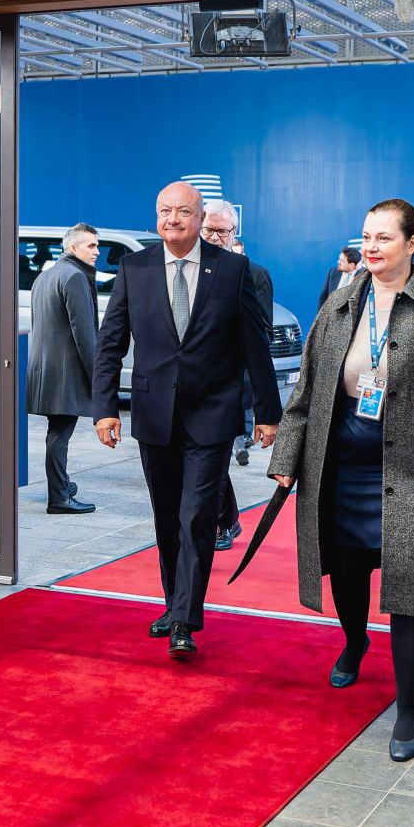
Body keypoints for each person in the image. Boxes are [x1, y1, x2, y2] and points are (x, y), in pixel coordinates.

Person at [269, 199, 414, 762]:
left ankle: (409, 708)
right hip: (341, 466)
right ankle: (353, 641)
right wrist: (286, 459)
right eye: (367, 237)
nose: (371, 247)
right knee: (346, 566)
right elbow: (306, 393)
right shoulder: (341, 302)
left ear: (412, 243)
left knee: (410, 588)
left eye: (384, 238)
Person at [92, 181, 281, 659]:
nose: (172, 219)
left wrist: (267, 412)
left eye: (182, 212)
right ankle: (174, 602)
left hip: (212, 415)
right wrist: (104, 408)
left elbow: (254, 346)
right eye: (164, 211)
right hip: (155, 413)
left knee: (196, 514)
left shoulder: (234, 270)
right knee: (166, 515)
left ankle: (184, 620)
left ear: (200, 220)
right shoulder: (134, 268)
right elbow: (111, 343)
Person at [202, 201, 269, 551]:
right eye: (208, 230)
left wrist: (262, 404)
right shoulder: (190, 269)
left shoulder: (252, 273)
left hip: (231, 384)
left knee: (215, 460)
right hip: (192, 388)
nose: (214, 237)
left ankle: (222, 523)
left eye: (222, 231)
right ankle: (222, 519)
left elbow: (261, 336)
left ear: (234, 233)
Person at [26, 224, 99, 516]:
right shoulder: (75, 277)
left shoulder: (46, 276)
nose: (96, 252)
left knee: (57, 431)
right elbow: (84, 334)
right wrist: (98, 377)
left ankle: (63, 486)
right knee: (59, 434)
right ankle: (59, 497)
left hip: (46, 370)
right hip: (64, 373)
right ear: (72, 248)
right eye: (91, 246)